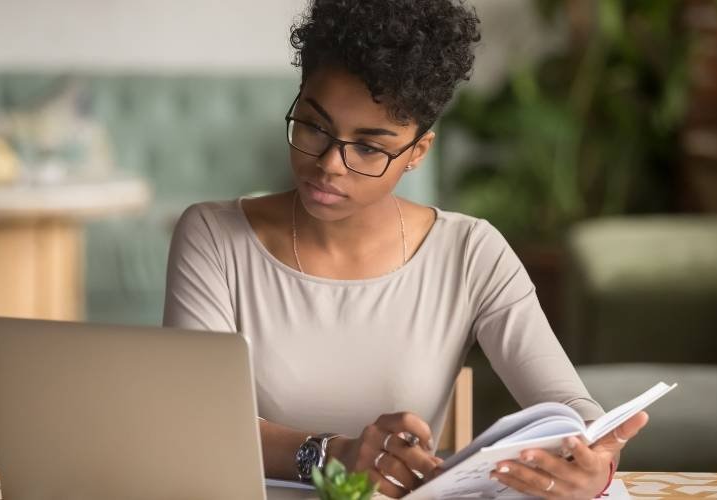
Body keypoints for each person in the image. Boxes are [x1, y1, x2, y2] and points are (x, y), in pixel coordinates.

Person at [163, 0, 648, 498]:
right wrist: (334, 457)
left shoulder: (470, 253)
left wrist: (596, 462)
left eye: (369, 147)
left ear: (418, 152)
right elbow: (193, 420)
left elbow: (569, 405)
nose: (330, 163)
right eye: (313, 126)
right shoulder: (214, 236)